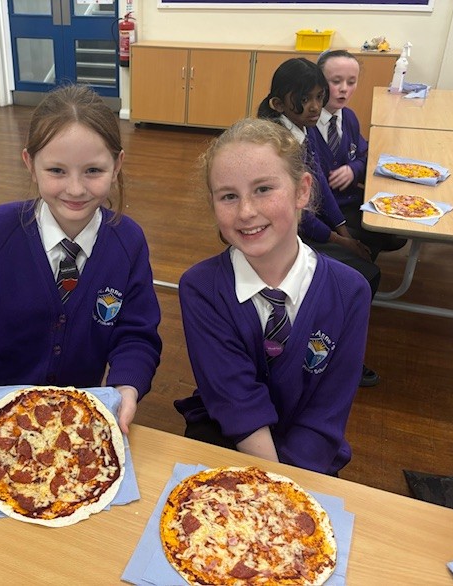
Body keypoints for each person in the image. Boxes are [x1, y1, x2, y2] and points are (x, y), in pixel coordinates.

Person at [0, 85, 162, 453]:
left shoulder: (128, 241)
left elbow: (136, 336)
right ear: (29, 164)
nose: (75, 189)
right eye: (56, 170)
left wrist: (126, 388)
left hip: (74, 424)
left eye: (93, 170)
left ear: (117, 166)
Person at [174, 118, 371, 476]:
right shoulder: (200, 288)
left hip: (310, 457)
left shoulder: (350, 292)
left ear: (302, 191)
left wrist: (288, 486)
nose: (246, 211)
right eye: (229, 196)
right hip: (225, 440)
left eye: (263, 189)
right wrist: (274, 487)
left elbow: (328, 410)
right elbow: (235, 399)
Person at [257, 57, 380, 387]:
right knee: (362, 276)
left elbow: (319, 185)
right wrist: (341, 241)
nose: (315, 106)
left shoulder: (301, 129)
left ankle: (333, 341)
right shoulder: (278, 145)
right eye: (305, 98)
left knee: (364, 257)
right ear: (278, 104)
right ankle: (326, 351)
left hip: (298, 226)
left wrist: (342, 229)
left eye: (318, 97)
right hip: (280, 237)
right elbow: (296, 215)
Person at [312, 49, 406, 258]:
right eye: (336, 81)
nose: (344, 89)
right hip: (324, 212)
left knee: (396, 230)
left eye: (351, 82)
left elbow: (364, 155)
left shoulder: (349, 118)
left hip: (351, 200)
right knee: (373, 238)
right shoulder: (307, 125)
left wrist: (353, 169)